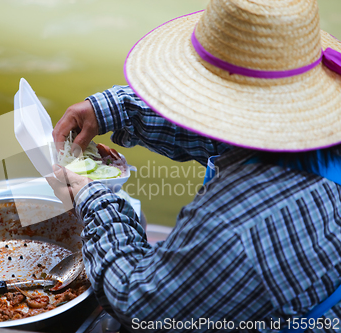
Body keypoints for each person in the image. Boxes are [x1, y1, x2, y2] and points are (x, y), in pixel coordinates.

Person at [46, 0, 341, 332]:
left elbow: (138, 300)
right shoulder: (302, 131)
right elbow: (222, 137)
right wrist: (114, 110)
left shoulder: (234, 223)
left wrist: (93, 196)